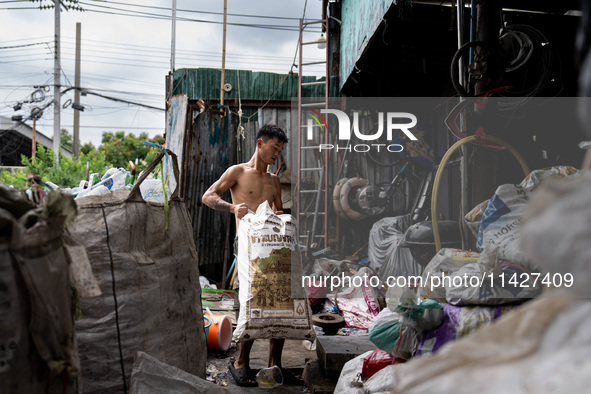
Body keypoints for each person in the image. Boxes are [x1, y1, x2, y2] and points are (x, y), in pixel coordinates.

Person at [202, 124, 302, 387]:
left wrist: (280, 216)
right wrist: (232, 207)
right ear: (260, 144)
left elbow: (279, 213)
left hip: (272, 251)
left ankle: (274, 365)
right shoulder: (237, 172)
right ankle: (241, 363)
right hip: (247, 252)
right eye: (274, 148)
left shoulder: (274, 181)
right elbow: (208, 196)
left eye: (280, 150)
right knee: (251, 306)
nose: (277, 154)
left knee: (278, 307)